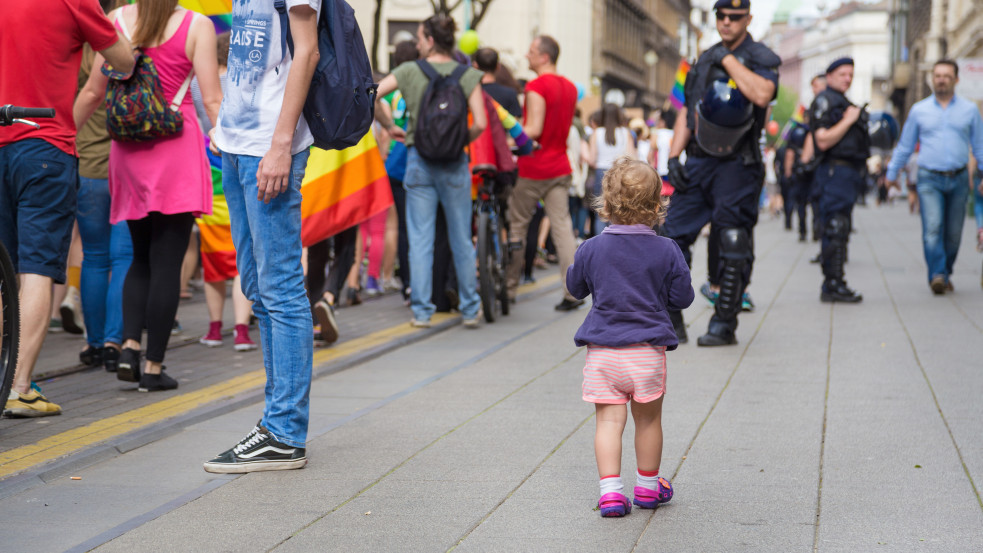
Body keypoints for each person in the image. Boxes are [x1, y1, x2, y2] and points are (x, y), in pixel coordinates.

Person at [75, 0, 219, 392]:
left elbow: (92, 92)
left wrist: (64, 137)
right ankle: (153, 367)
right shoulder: (196, 25)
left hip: (128, 152)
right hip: (177, 149)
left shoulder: (116, 21)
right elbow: (211, 99)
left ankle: (128, 348)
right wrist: (227, 143)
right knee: (166, 264)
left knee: (138, 257)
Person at [202, 0, 320, 473]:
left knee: (280, 287)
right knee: (256, 285)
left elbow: (306, 51)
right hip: (235, 145)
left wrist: (281, 144)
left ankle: (285, 432)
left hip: (269, 148)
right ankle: (275, 422)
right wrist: (224, 126)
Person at [1, 0, 133, 417]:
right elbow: (124, 59)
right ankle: (18, 387)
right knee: (36, 269)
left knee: (1, 271)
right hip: (46, 144)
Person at [566, 157, 694, 517]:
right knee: (649, 420)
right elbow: (682, 298)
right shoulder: (667, 249)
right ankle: (649, 488)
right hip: (646, 354)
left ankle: (610, 494)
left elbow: (575, 288)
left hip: (603, 354)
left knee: (608, 422)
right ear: (658, 206)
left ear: (605, 205)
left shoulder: (590, 248)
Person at [663, 0, 780, 346]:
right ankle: (672, 321)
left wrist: (727, 59)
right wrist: (673, 159)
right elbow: (688, 112)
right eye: (721, 16)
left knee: (732, 240)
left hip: (737, 164)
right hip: (699, 160)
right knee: (670, 237)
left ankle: (723, 324)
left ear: (748, 19)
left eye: (735, 17)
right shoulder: (701, 60)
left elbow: (763, 94)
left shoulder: (760, 56)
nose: (726, 22)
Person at [375, 14, 487, 328]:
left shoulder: (409, 71)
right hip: (454, 164)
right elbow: (479, 121)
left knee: (420, 238)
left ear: (430, 40)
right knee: (461, 238)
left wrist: (390, 126)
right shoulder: (467, 74)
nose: (418, 42)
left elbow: (372, 95)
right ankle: (469, 308)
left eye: (421, 37)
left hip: (418, 161)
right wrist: (458, 141)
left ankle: (422, 312)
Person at [885, 59, 983, 294]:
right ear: (932, 79)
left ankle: (945, 271)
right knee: (933, 227)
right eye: (937, 75)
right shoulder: (919, 110)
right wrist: (891, 174)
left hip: (959, 178)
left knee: (953, 233)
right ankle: (937, 274)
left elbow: (979, 147)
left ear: (956, 80)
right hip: (929, 178)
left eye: (946, 76)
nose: (941, 79)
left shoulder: (969, 110)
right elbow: (906, 146)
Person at [506, 35, 582, 311]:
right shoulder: (570, 87)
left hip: (534, 167)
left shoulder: (537, 86)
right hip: (560, 165)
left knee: (518, 225)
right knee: (562, 229)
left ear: (544, 57)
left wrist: (508, 137)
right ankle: (572, 291)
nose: (527, 55)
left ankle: (509, 288)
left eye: (531, 51)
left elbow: (534, 129)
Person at [75, 32, 135, 373]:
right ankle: (116, 341)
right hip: (126, 161)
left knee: (94, 256)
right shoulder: (119, 44)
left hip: (87, 164)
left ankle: (94, 342)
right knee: (124, 255)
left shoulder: (70, 49)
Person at [808, 57, 869, 303]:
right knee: (834, 227)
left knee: (841, 226)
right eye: (842, 74)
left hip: (847, 173)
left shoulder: (841, 101)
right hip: (834, 172)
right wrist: (849, 120)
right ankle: (832, 284)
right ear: (829, 75)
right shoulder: (825, 100)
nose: (847, 79)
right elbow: (822, 139)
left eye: (850, 75)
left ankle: (836, 281)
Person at [588, 103, 637, 233]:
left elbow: (592, 160)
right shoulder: (625, 133)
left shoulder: (596, 133)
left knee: (601, 213)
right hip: (620, 173)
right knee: (619, 212)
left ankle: (601, 246)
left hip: (600, 173)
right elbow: (632, 158)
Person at [474, 47, 521, 119]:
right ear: (498, 66)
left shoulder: (471, 93)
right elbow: (515, 125)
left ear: (475, 66)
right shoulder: (510, 94)